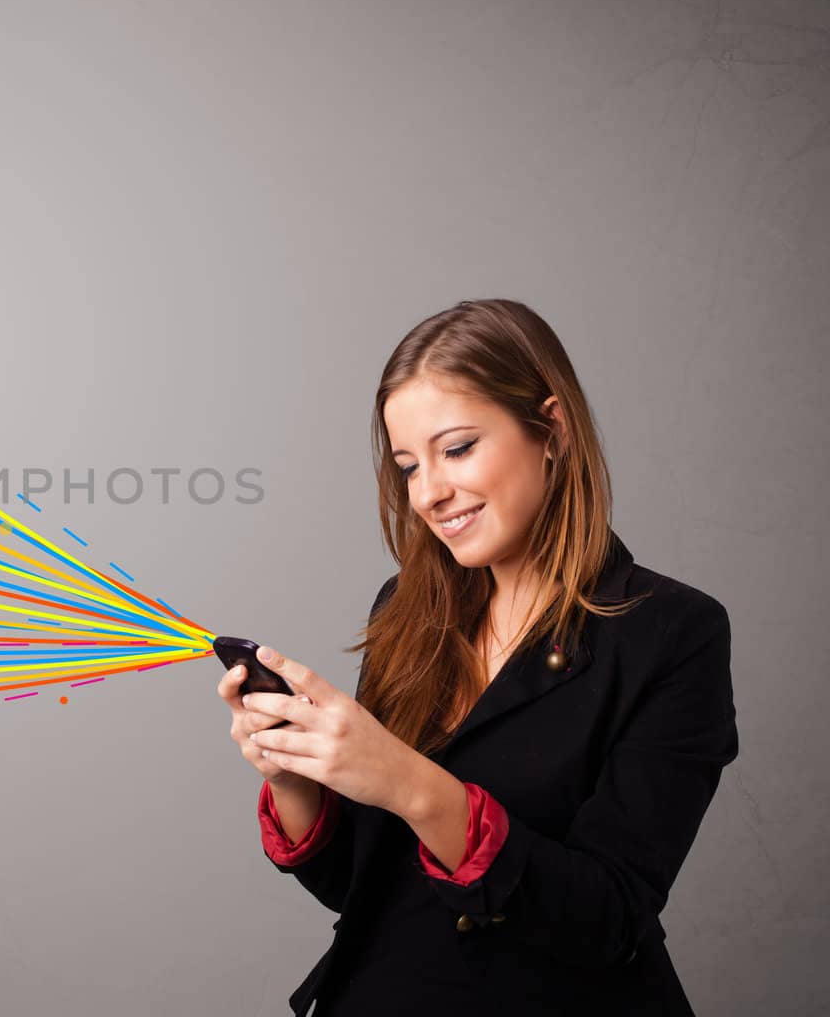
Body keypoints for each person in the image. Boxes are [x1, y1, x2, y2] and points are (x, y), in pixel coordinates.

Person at [216, 298, 739, 1015]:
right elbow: (364, 890)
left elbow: (610, 919)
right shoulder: (406, 608)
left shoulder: (674, 632)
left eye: (457, 448)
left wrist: (407, 781)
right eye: (407, 465)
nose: (428, 493)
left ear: (550, 428)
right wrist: (296, 776)